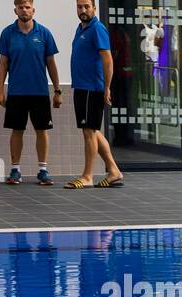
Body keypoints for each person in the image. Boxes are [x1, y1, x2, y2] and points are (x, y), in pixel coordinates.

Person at [0, 0, 62, 186]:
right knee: (17, 130)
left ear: (33, 9)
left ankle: (43, 170)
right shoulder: (7, 33)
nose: (24, 10)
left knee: (42, 131)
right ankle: (15, 170)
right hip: (16, 92)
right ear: (15, 10)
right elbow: (3, 64)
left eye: (27, 7)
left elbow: (51, 64)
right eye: (20, 7)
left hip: (39, 92)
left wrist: (57, 91)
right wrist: (0, 90)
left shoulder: (44, 33)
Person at [65, 0, 123, 189]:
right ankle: (114, 171)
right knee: (92, 131)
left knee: (89, 132)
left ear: (94, 8)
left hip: (92, 88)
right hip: (82, 87)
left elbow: (107, 59)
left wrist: (106, 87)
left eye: (86, 7)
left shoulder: (97, 28)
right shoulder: (81, 28)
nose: (83, 10)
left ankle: (87, 176)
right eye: (79, 7)